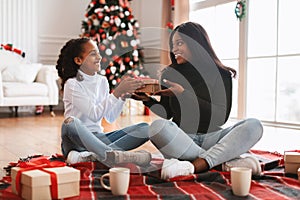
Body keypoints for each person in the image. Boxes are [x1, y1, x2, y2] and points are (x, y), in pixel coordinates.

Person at [133, 22, 263, 179]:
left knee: (254, 125)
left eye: (180, 43)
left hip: (213, 137)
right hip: (182, 138)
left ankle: (194, 165)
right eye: (172, 45)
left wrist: (184, 94)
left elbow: (221, 116)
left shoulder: (222, 74)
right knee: (156, 128)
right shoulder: (170, 74)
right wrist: (147, 100)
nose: (174, 50)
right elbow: (167, 114)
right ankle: (221, 163)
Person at [56, 37, 151, 166]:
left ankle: (96, 156)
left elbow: (109, 117)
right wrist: (116, 93)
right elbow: (94, 114)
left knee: (145, 128)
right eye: (93, 54)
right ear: (78, 60)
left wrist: (122, 97)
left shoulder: (102, 81)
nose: (99, 57)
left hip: (98, 139)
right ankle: (110, 155)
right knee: (70, 123)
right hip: (75, 142)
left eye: (98, 53)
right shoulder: (72, 84)